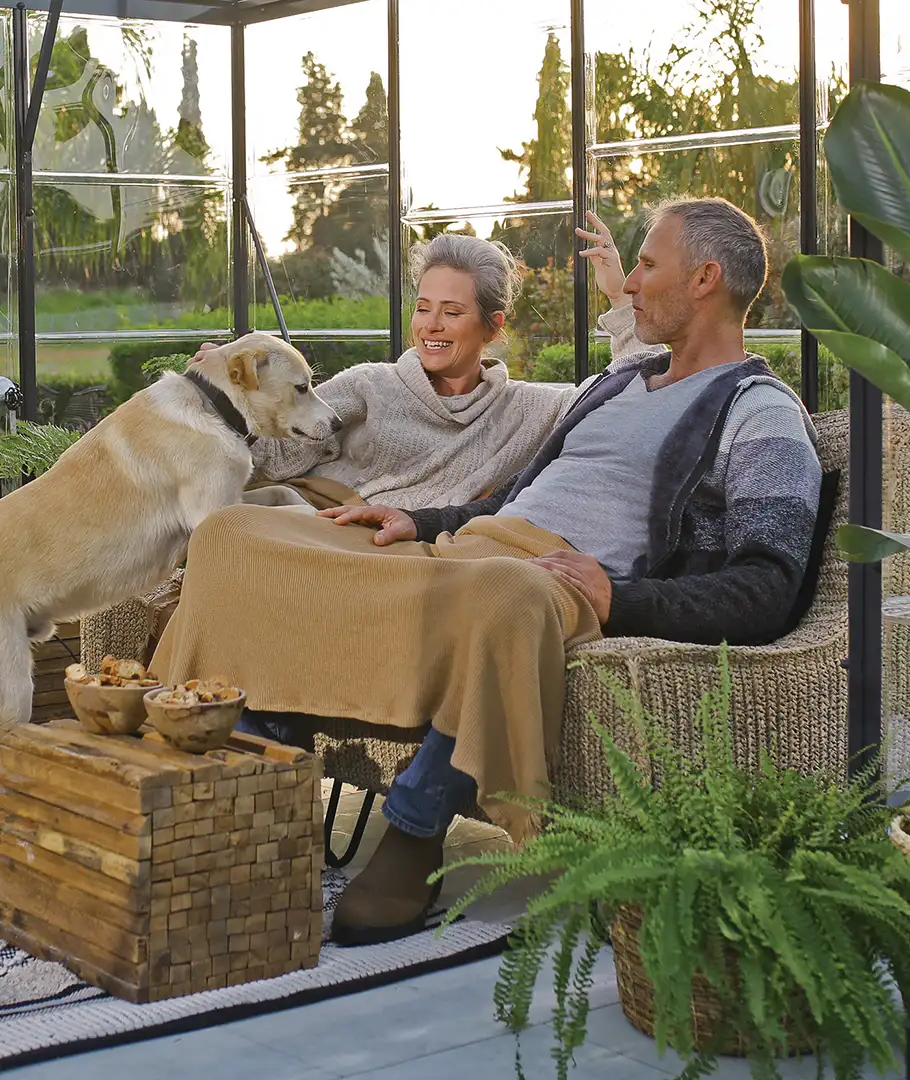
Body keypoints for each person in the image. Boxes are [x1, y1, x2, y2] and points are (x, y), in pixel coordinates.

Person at [149, 198, 823, 945]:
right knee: (235, 534)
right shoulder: (618, 386)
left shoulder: (760, 411)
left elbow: (770, 583)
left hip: (546, 580)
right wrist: (421, 521)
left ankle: (414, 830)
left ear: (704, 278)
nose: (629, 284)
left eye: (646, 265)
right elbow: (514, 495)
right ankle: (242, 770)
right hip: (459, 554)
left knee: (511, 590)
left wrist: (620, 596)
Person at [217, 229, 631, 513]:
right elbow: (275, 456)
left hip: (406, 548)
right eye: (422, 308)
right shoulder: (370, 384)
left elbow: (628, 395)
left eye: (451, 312)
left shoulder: (523, 408)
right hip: (317, 521)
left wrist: (620, 298)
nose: (430, 325)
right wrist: (223, 396)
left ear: (493, 325)